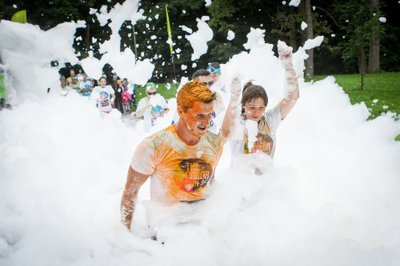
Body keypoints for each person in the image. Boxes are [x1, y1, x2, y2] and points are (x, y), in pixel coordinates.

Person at [121, 81, 224, 230]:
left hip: (202, 230)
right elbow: (129, 195)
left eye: (210, 115)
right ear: (181, 112)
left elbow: (208, 183)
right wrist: (125, 236)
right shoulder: (153, 146)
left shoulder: (214, 143)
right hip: (165, 231)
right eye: (199, 116)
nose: (206, 122)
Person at [221, 41, 299, 158]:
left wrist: (288, 65)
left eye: (261, 107)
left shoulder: (270, 119)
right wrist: (233, 98)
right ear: (243, 106)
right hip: (239, 176)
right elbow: (225, 134)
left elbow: (293, 97)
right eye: (251, 107)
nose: (256, 112)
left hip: (268, 176)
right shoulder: (237, 121)